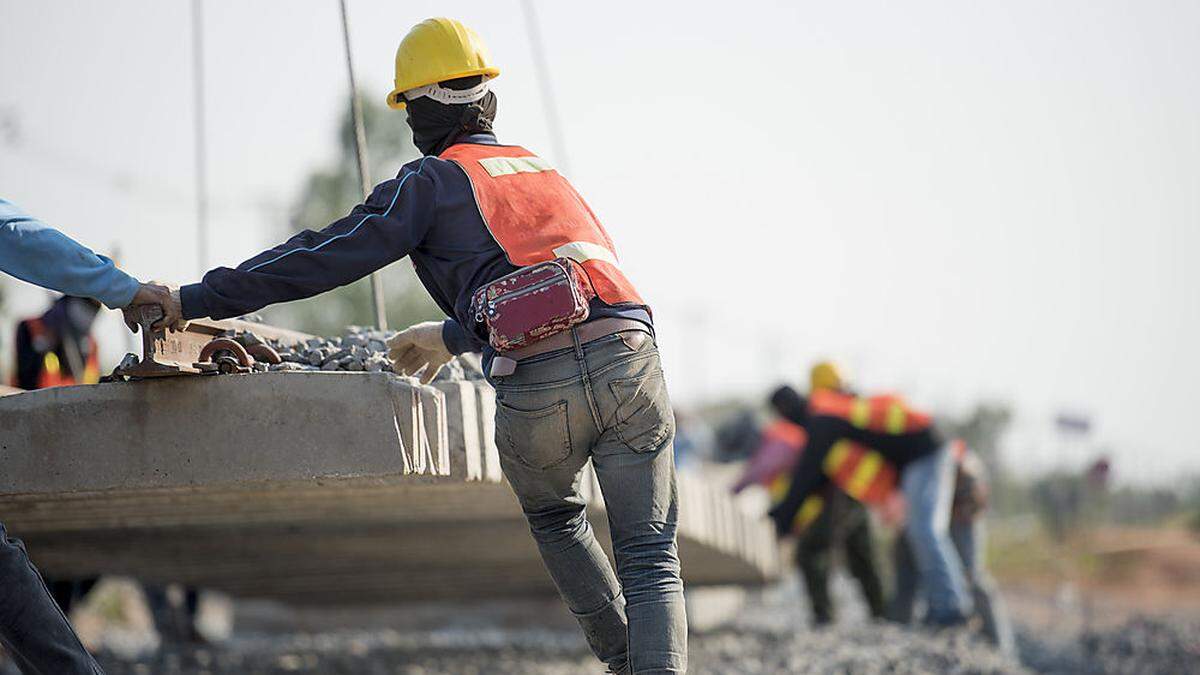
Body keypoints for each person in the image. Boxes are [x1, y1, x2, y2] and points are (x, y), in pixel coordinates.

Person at [146, 18, 685, 674]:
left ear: (421, 111)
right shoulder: (544, 172)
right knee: (651, 558)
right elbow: (563, 287)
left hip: (540, 383)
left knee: (555, 515)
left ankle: (627, 661)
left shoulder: (432, 180)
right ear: (488, 99)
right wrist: (449, 337)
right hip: (632, 355)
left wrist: (197, 297)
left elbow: (324, 254)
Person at [0, 196, 172, 675]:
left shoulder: (88, 341)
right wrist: (122, 287)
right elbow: (17, 235)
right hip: (33, 440)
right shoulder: (31, 329)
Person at [769, 382, 974, 626]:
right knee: (915, 536)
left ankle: (951, 609)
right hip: (916, 456)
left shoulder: (821, 420)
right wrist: (782, 516)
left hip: (924, 452)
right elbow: (816, 480)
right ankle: (933, 609)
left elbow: (806, 477)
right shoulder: (826, 411)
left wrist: (781, 521)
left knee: (925, 531)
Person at [733, 382, 885, 626]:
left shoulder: (815, 420)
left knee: (812, 549)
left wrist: (783, 517)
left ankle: (826, 616)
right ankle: (881, 611)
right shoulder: (817, 413)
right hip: (854, 486)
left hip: (846, 488)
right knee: (860, 551)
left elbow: (807, 477)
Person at [889, 441, 1015, 654]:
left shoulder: (951, 459)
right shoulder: (899, 458)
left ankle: (1002, 650)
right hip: (921, 512)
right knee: (915, 577)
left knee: (971, 576)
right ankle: (913, 639)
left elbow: (973, 491)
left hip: (961, 507)